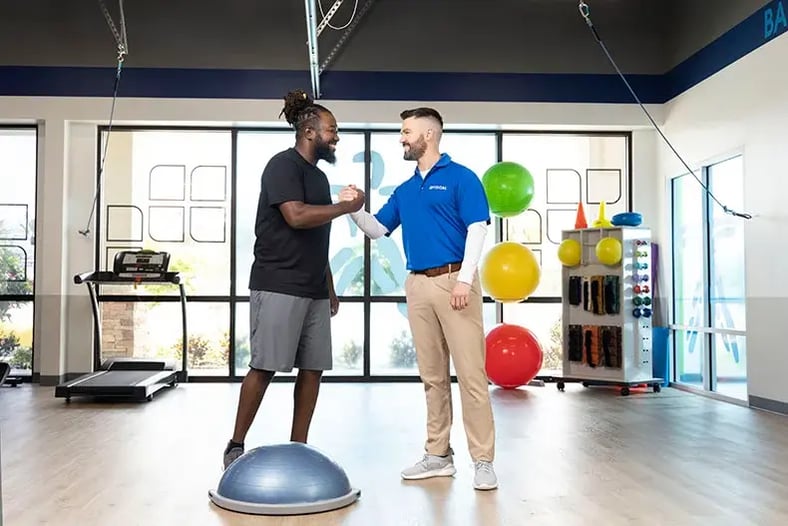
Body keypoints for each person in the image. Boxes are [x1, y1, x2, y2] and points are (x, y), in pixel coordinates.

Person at [339, 107, 498, 490]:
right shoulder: (407, 189)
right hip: (418, 287)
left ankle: (483, 460)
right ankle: (438, 455)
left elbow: (477, 229)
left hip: (454, 282)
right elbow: (378, 229)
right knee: (432, 377)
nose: (401, 138)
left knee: (472, 377)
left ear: (428, 134)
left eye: (407, 131)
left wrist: (464, 280)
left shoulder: (462, 178)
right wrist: (354, 207)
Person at [223, 90, 365, 469]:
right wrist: (347, 206)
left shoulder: (319, 178)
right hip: (278, 283)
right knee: (265, 366)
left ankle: (298, 447)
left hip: (314, 288)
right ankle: (235, 444)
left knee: (313, 368)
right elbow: (297, 216)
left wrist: (330, 287)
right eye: (331, 129)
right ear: (309, 131)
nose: (336, 136)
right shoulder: (281, 166)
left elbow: (318, 234)